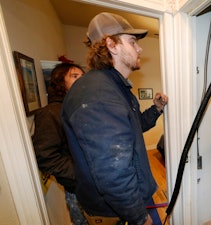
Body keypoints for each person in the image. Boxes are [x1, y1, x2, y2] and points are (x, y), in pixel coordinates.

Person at [61, 12, 168, 225]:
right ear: (112, 45)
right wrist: (139, 218)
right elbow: (113, 173)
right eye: (132, 41)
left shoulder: (114, 87)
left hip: (131, 201)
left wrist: (156, 109)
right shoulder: (98, 95)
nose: (139, 48)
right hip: (117, 213)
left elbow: (133, 128)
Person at [32, 62, 87, 225]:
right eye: (74, 76)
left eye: (83, 77)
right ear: (60, 82)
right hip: (78, 190)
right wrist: (80, 174)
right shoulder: (50, 113)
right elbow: (46, 157)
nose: (81, 80)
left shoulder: (82, 108)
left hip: (96, 187)